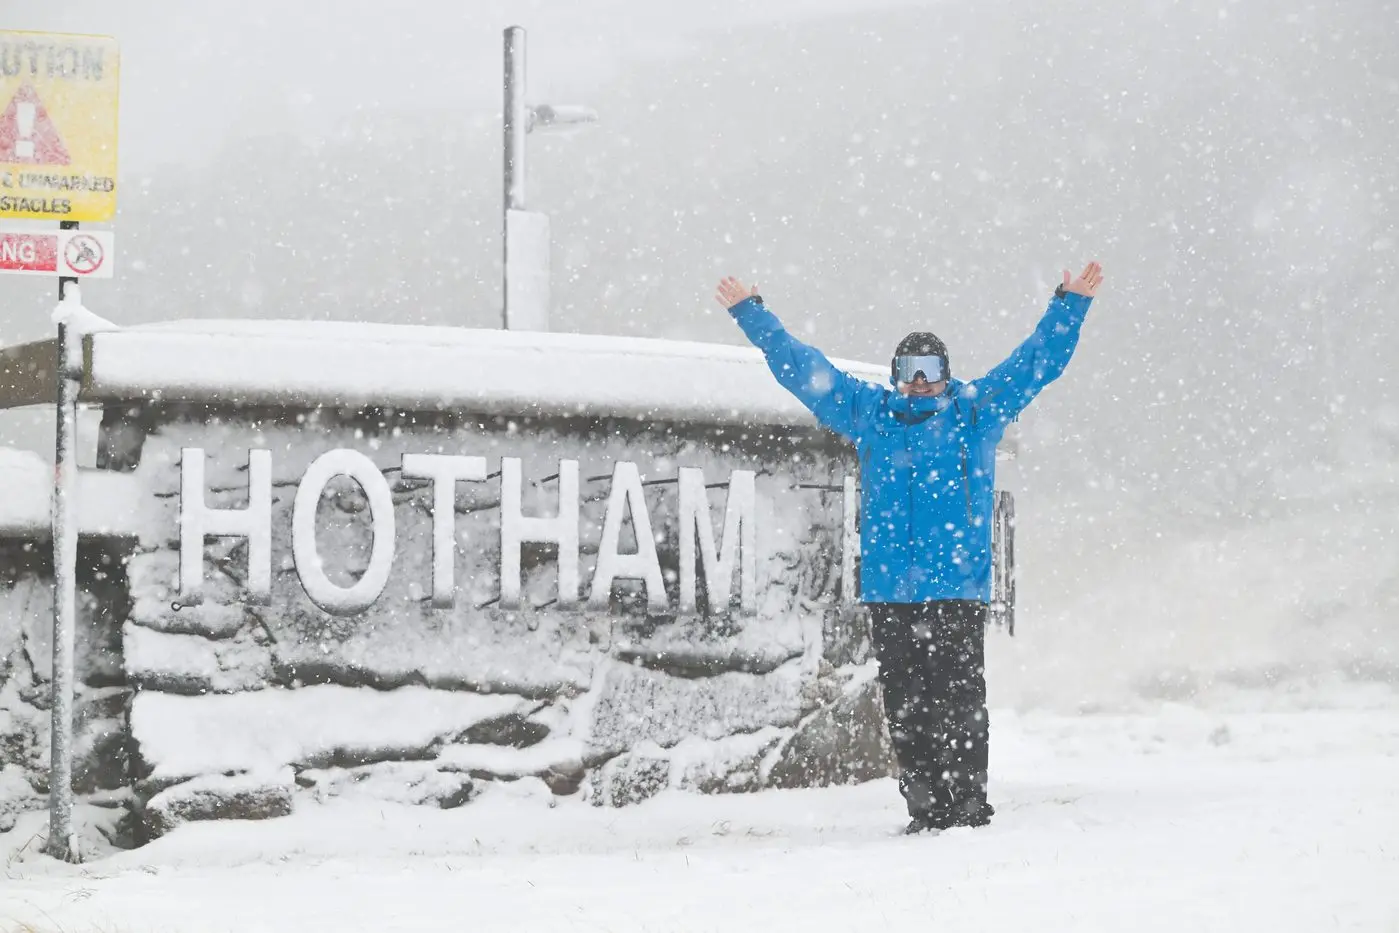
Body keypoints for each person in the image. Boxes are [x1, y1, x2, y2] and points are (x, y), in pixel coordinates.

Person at [714, 262, 1104, 834]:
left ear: (947, 374)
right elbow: (804, 370)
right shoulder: (870, 414)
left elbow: (1034, 365)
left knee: (960, 702)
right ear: (895, 374)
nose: (919, 381)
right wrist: (753, 313)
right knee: (906, 706)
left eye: (930, 370)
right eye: (909, 370)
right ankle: (925, 808)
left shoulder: (976, 412)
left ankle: (968, 806)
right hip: (890, 592)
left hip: (955, 591)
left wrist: (1068, 305)